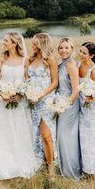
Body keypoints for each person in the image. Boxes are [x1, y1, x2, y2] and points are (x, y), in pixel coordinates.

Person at [0, 32, 40, 180]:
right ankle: (3, 163)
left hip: (19, 103)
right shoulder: (0, 60)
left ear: (15, 43)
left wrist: (21, 94)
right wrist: (2, 93)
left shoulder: (25, 60)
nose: (3, 43)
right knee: (3, 131)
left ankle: (21, 162)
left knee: (20, 130)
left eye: (6, 41)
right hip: (2, 102)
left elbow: (27, 81)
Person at [26, 33, 58, 174]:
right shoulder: (30, 59)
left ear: (41, 45)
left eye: (34, 44)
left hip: (46, 101)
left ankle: (51, 166)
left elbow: (55, 82)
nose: (32, 46)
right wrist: (29, 93)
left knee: (46, 135)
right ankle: (38, 161)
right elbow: (27, 78)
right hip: (32, 101)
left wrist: (42, 95)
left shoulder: (50, 59)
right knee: (35, 133)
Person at [78, 42, 95, 177]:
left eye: (84, 53)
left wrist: (93, 97)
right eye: (80, 51)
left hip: (94, 109)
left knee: (94, 139)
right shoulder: (77, 65)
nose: (81, 55)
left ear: (92, 55)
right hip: (81, 108)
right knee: (84, 138)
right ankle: (86, 169)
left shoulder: (94, 69)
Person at [56, 37, 82, 179]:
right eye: (61, 48)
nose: (63, 50)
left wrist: (64, 105)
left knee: (66, 136)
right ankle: (64, 167)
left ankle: (71, 170)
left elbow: (76, 90)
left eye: (66, 47)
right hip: (61, 103)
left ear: (72, 49)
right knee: (62, 136)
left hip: (69, 105)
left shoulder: (71, 65)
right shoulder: (61, 63)